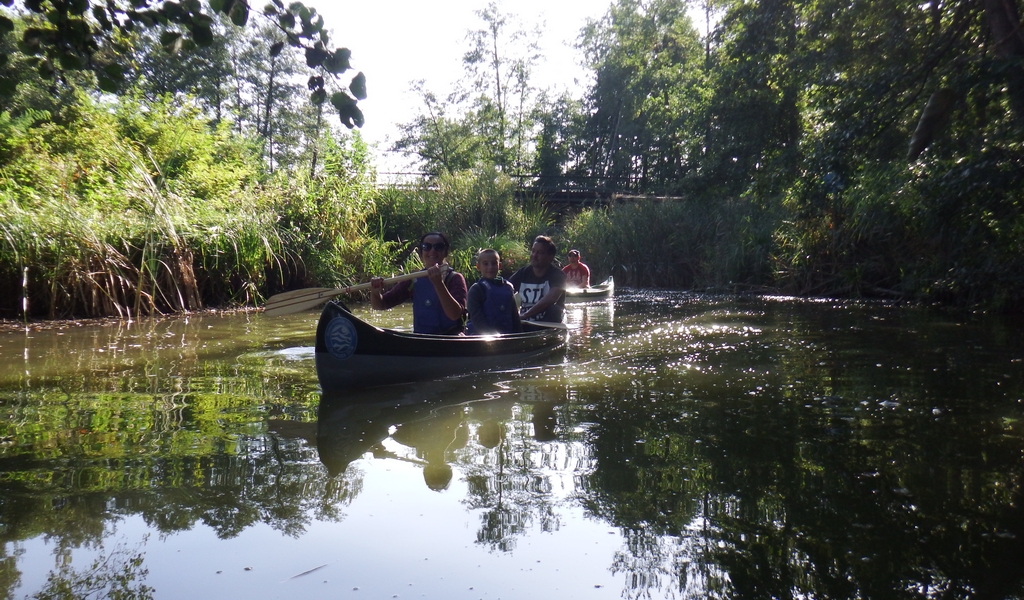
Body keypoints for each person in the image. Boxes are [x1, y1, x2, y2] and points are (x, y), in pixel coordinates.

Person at [369, 232, 467, 334]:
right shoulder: (414, 279)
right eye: (427, 247)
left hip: (450, 340)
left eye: (438, 247)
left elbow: (454, 315)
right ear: (421, 252)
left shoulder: (455, 278)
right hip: (421, 340)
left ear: (445, 252)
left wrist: (439, 284)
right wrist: (375, 293)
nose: (432, 251)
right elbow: (380, 305)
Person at [508, 235, 566, 323]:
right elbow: (505, 290)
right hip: (525, 320)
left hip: (548, 320)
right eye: (533, 251)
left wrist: (525, 315)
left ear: (550, 257)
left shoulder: (558, 275)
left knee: (555, 309)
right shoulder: (522, 273)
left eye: (540, 253)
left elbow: (552, 298)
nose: (534, 255)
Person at [466, 249, 522, 335]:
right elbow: (477, 319)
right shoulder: (476, 289)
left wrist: (518, 336)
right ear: (478, 266)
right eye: (485, 264)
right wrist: (491, 336)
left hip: (506, 338)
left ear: (499, 265)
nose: (490, 267)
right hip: (481, 338)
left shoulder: (508, 287)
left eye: (494, 263)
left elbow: (515, 317)